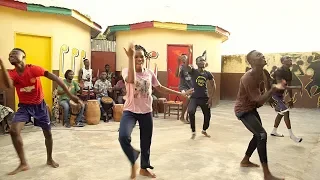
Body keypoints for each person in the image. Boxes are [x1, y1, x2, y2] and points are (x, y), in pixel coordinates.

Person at [118, 43, 193, 180]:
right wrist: (130, 58)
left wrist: (181, 94)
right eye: (135, 57)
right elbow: (131, 80)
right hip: (130, 111)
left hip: (146, 111)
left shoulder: (149, 73)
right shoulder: (126, 70)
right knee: (123, 136)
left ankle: (144, 168)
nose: (139, 59)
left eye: (141, 56)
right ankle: (133, 157)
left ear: (145, 58)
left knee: (146, 141)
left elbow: (160, 88)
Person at [0, 48, 80, 175]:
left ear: (24, 56)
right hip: (25, 107)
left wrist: (70, 95)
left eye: (15, 53)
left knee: (48, 134)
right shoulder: (12, 73)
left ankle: (49, 159)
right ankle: (23, 163)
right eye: (10, 55)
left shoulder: (33, 69)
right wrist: (1, 63)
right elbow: (9, 85)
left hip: (40, 106)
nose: (12, 56)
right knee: (14, 130)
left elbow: (55, 78)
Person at [234, 50, 285, 180]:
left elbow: (267, 88)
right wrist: (272, 91)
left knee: (257, 135)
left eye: (261, 54)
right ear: (251, 61)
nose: (262, 56)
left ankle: (245, 161)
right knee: (261, 135)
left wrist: (271, 97)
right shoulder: (247, 78)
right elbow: (258, 99)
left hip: (251, 108)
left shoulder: (264, 72)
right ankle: (267, 174)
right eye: (258, 55)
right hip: (243, 110)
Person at [269, 56, 302, 143]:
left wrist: (291, 99)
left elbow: (288, 86)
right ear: (282, 61)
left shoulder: (289, 72)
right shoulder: (279, 71)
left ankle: (274, 131)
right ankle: (292, 135)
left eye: (291, 59)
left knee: (281, 113)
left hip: (280, 95)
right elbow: (280, 85)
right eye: (288, 59)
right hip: (273, 94)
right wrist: (296, 87)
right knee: (286, 111)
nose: (290, 60)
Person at [182, 55, 216, 139]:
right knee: (191, 111)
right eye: (200, 60)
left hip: (204, 98)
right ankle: (193, 131)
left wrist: (211, 98)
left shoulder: (208, 73)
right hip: (194, 97)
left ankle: (204, 130)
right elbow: (186, 67)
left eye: (203, 60)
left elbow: (213, 85)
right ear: (196, 63)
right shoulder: (193, 71)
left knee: (207, 115)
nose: (202, 62)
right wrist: (187, 58)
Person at [175, 54, 193, 123]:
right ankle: (182, 117)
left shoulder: (191, 66)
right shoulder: (181, 67)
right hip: (183, 87)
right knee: (188, 98)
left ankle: (187, 117)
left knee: (191, 102)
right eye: (182, 58)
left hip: (190, 87)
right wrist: (178, 64)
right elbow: (176, 75)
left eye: (185, 57)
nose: (183, 59)